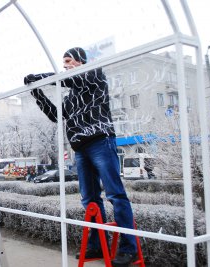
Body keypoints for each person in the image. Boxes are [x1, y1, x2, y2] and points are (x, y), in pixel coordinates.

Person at [24, 47, 137, 267]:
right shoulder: (72, 95)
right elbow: (56, 116)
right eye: (63, 61)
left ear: (81, 61)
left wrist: (39, 78)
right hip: (81, 149)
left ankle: (128, 248)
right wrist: (37, 93)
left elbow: (65, 79)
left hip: (100, 142)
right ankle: (98, 244)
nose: (64, 65)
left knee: (115, 194)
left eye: (68, 60)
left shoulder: (94, 75)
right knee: (90, 199)